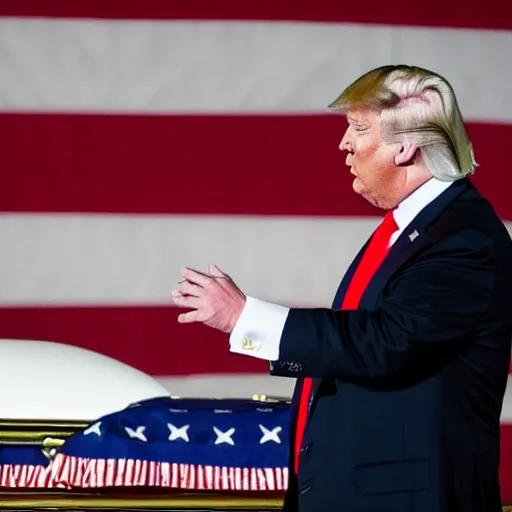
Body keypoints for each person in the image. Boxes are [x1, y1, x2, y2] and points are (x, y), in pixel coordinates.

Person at [171, 65, 512, 512]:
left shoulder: (464, 239)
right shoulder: (410, 229)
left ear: (405, 146)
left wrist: (243, 318)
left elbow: (383, 342)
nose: (344, 144)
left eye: (358, 128)